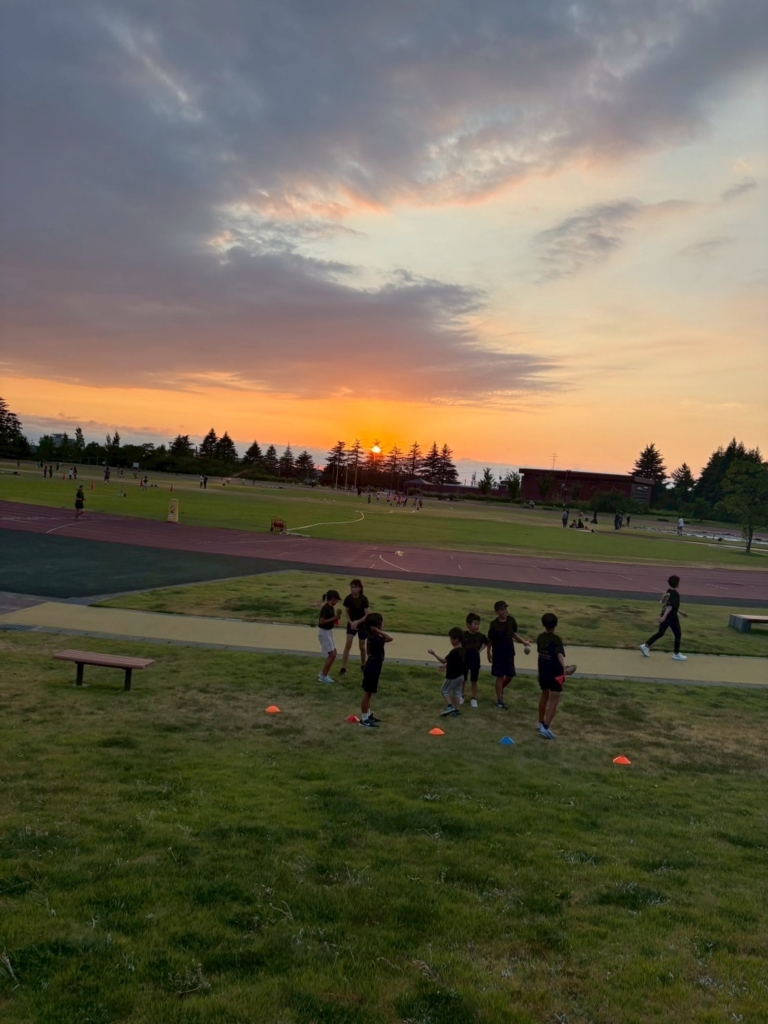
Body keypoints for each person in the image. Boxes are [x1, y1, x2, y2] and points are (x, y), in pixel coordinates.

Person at [536, 613, 577, 739]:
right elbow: (559, 654)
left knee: (544, 696)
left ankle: (540, 722)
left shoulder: (540, 638)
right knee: (554, 699)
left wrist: (538, 671)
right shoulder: (556, 639)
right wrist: (565, 667)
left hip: (543, 671)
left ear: (543, 624)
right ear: (556, 625)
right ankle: (546, 728)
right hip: (555, 673)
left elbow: (540, 655)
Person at [487, 600, 532, 710]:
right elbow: (490, 640)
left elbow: (513, 634)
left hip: (509, 652)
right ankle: (499, 700)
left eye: (506, 608)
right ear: (497, 612)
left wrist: (523, 642)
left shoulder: (511, 620)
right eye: (502, 609)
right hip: (498, 653)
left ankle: (500, 689)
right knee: (500, 676)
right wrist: (488, 652)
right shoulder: (494, 624)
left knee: (510, 675)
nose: (505, 611)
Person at [640, 575, 688, 661]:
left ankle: (645, 645)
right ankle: (676, 654)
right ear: (677, 584)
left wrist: (681, 613)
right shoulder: (675, 594)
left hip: (667, 614)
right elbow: (670, 607)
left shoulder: (669, 591)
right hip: (671, 617)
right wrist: (663, 618)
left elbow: (665, 603)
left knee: (661, 633)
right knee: (678, 634)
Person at [359, 612, 392, 728]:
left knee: (370, 693)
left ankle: (368, 715)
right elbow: (390, 638)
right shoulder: (375, 638)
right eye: (381, 622)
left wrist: (376, 632)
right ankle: (363, 719)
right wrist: (378, 631)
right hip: (372, 667)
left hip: (374, 666)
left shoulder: (373, 637)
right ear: (376, 625)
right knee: (367, 693)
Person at [428, 627, 465, 717]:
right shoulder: (463, 651)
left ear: (456, 639)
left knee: (444, 690)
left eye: (451, 639)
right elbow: (453, 662)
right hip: (461, 676)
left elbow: (444, 660)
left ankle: (450, 706)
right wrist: (445, 666)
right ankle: (457, 711)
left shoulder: (453, 652)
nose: (450, 641)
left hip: (452, 677)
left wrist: (434, 654)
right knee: (457, 693)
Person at [339, 579, 369, 676]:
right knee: (348, 643)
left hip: (362, 625)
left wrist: (358, 622)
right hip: (351, 624)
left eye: (355, 587)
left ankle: (363, 665)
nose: (353, 589)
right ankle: (343, 667)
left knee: (362, 646)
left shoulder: (364, 599)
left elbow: (367, 615)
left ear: (360, 588)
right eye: (351, 587)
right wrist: (351, 622)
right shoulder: (348, 599)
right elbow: (347, 612)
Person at [462, 613, 488, 707]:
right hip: (464, 660)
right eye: (475, 624)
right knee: (463, 679)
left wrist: (480, 650)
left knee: (474, 680)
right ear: (469, 624)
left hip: (475, 660)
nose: (477, 626)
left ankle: (473, 698)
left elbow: (488, 643)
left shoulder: (481, 636)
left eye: (478, 624)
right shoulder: (463, 635)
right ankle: (462, 696)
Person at [317, 589, 341, 683]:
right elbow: (322, 621)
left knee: (334, 652)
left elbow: (329, 620)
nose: (337, 602)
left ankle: (323, 673)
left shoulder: (331, 608)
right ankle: (323, 675)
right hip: (324, 632)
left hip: (329, 631)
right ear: (333, 599)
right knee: (332, 654)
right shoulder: (326, 608)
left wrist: (335, 619)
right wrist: (334, 618)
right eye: (336, 600)